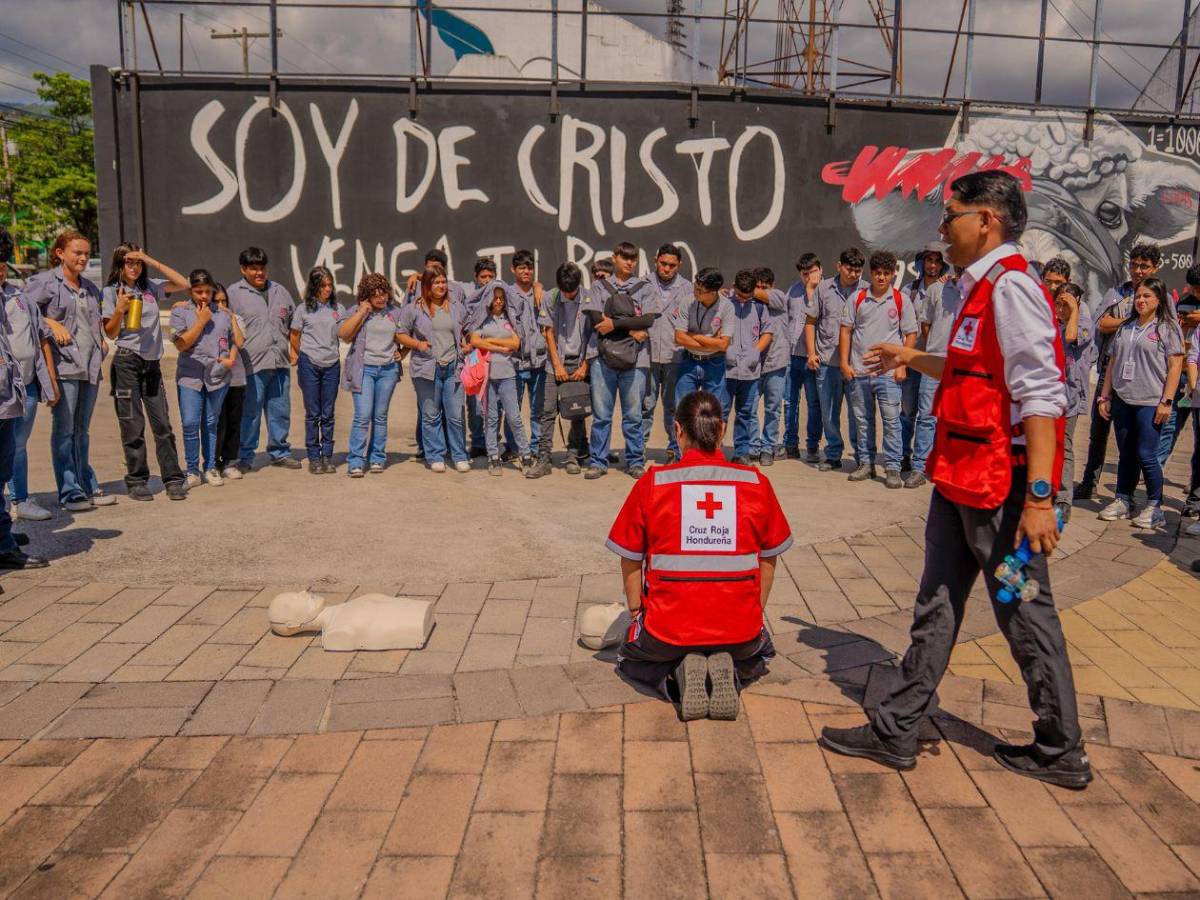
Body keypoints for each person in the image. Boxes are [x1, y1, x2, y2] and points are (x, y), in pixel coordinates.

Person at [819, 170, 1091, 790]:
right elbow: (973, 367)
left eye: (950, 216)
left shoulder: (1013, 288)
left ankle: (1060, 747)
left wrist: (1042, 499)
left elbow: (1042, 396)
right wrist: (912, 356)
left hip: (1007, 488)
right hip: (961, 478)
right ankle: (897, 727)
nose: (942, 229)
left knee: (1023, 609)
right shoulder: (981, 287)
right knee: (936, 601)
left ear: (986, 220)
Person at [607, 389, 792, 720]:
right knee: (760, 653)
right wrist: (755, 609)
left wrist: (636, 612)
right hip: (741, 632)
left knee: (628, 659)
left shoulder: (654, 483)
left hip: (667, 632)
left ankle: (674, 675)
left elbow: (630, 557)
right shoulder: (755, 482)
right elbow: (769, 559)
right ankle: (733, 669)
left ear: (678, 431)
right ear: (722, 429)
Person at [25, 230, 109, 512]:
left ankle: (86, 484)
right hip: (63, 367)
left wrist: (102, 345)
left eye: (87, 253)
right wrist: (50, 321)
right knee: (64, 431)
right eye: (78, 252)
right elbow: (22, 312)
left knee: (81, 431)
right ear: (60, 253)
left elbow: (95, 324)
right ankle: (69, 491)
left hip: (90, 366)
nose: (84, 258)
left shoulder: (90, 287)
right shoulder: (45, 283)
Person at [101, 243, 189, 502]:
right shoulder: (111, 291)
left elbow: (182, 282)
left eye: (138, 262)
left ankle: (173, 479)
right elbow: (110, 332)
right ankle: (137, 480)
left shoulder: (149, 288)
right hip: (127, 361)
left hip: (152, 365)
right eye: (129, 261)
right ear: (119, 264)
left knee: (162, 424)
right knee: (132, 424)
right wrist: (119, 309)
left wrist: (149, 258)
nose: (134, 266)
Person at [1096, 277, 1184, 530]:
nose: (1141, 300)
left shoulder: (1166, 327)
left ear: (1159, 300)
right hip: (1124, 398)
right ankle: (1123, 499)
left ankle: (1155, 506)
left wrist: (1166, 401)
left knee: (1147, 454)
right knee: (1126, 453)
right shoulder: (1126, 326)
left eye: (1147, 296)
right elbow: (1112, 362)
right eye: (1138, 296)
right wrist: (1105, 395)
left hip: (1151, 400)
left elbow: (1175, 365)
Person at [1077, 243, 1161, 500]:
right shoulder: (1118, 293)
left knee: (1131, 439)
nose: (1137, 271)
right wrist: (1129, 321)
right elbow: (1101, 324)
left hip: (1142, 379)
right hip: (1109, 372)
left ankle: (1127, 492)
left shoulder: (1161, 296)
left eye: (1144, 266)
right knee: (1098, 432)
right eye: (1134, 265)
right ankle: (1089, 482)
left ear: (1155, 268)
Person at [840, 251, 917, 488]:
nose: (881, 278)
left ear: (894, 274)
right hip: (860, 371)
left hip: (888, 374)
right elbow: (846, 330)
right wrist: (844, 363)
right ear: (870, 274)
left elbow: (911, 333)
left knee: (892, 420)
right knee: (862, 420)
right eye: (877, 273)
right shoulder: (857, 298)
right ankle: (865, 463)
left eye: (886, 273)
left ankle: (892, 467)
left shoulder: (900, 300)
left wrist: (902, 364)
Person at [584, 241, 657, 480]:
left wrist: (614, 323)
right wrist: (629, 329)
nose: (629, 262)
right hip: (602, 358)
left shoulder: (644, 287)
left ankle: (635, 461)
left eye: (633, 258)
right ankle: (598, 461)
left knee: (634, 415)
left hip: (636, 360)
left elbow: (646, 321)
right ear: (614, 257)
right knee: (602, 415)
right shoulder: (599, 286)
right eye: (625, 257)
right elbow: (596, 318)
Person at [0, 229, 59, 523]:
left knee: (16, 446)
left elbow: (40, 336)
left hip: (26, 386)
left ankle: (20, 500)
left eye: (3, 264)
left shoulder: (19, 297)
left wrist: (49, 375)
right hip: (2, 390)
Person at [227, 246, 299, 473]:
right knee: (250, 413)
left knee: (280, 410)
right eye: (253, 268)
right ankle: (245, 456)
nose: (259, 273)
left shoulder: (280, 291)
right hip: (251, 365)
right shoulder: (233, 294)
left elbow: (294, 323)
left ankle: (279, 451)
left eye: (262, 268)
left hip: (279, 362)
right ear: (243, 269)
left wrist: (295, 349)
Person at [169, 270, 241, 487]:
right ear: (191, 290)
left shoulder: (223, 314)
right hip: (189, 377)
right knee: (190, 423)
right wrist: (200, 322)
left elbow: (236, 340)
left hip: (217, 377)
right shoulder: (180, 312)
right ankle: (192, 470)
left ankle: (209, 467)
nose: (203, 296)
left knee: (211, 423)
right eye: (199, 291)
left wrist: (231, 358)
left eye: (207, 292)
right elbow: (181, 344)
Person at [398, 265, 471, 473]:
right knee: (431, 415)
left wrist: (468, 344)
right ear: (427, 286)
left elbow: (468, 329)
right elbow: (401, 333)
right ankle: (434, 455)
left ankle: (458, 455)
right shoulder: (414, 308)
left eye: (443, 282)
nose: (441, 286)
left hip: (453, 369)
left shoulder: (456, 306)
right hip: (426, 369)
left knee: (455, 415)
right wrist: (417, 345)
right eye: (436, 282)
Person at [527, 262, 594, 478]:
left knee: (577, 411)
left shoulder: (589, 298)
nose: (568, 295)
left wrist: (585, 365)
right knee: (547, 412)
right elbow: (548, 331)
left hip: (580, 362)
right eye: (565, 292)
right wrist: (556, 365)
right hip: (554, 363)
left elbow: (595, 334)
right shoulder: (551, 297)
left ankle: (573, 455)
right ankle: (543, 459)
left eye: (571, 292)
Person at [808, 248, 867, 472]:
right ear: (838, 266)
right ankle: (833, 454)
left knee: (858, 414)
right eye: (849, 269)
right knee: (829, 412)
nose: (853, 274)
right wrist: (812, 353)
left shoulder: (866, 290)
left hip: (856, 365)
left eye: (857, 270)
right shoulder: (823, 289)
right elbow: (811, 321)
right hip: (827, 363)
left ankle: (862, 457)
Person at [340, 273, 404, 477]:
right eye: (376, 294)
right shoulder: (357, 310)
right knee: (363, 415)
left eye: (384, 293)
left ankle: (377, 457)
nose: (381, 298)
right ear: (366, 295)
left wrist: (402, 353)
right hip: (364, 369)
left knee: (380, 416)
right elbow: (345, 335)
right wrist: (361, 313)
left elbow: (410, 334)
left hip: (388, 370)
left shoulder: (396, 312)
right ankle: (356, 460)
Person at [905, 267, 963, 489]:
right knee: (927, 415)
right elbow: (926, 322)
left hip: (961, 365)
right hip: (935, 360)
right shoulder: (936, 289)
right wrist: (934, 348)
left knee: (955, 420)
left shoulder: (975, 291)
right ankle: (920, 467)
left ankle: (948, 467)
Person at [470, 282, 528, 475]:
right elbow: (475, 340)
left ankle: (525, 453)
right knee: (491, 418)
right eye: (495, 298)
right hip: (487, 377)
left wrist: (491, 341)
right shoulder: (483, 319)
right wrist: (500, 348)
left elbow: (516, 342)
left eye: (501, 298)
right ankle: (493, 457)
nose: (498, 302)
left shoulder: (508, 319)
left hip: (508, 375)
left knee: (514, 417)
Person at [289, 266, 342, 475]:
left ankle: (327, 456)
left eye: (330, 285)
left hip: (332, 365)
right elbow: (294, 335)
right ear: (314, 287)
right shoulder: (303, 309)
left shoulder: (338, 308)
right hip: (309, 364)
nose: (327, 289)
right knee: (313, 413)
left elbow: (346, 330)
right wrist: (303, 355)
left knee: (328, 413)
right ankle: (314, 457)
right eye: (323, 285)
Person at [901, 242, 949, 471]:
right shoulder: (908, 290)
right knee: (908, 412)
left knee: (930, 415)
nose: (933, 265)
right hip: (912, 360)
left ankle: (927, 460)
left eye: (937, 261)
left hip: (933, 362)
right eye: (929, 260)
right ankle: (903, 455)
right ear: (921, 263)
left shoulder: (947, 289)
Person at [642, 244, 691, 464]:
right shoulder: (642, 285)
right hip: (647, 355)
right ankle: (637, 450)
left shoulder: (689, 289)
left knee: (674, 407)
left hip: (676, 358)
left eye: (672, 265)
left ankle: (674, 450)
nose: (667, 269)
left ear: (679, 265)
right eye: (663, 264)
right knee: (645, 404)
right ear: (655, 261)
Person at [724, 269, 775, 465]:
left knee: (745, 412)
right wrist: (725, 350)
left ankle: (742, 452)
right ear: (734, 287)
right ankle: (714, 451)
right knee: (721, 413)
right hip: (726, 371)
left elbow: (767, 332)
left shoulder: (760, 306)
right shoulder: (724, 303)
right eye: (740, 295)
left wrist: (756, 352)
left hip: (750, 372)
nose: (743, 300)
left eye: (748, 296)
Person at [1054, 282, 1093, 520]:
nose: (1060, 307)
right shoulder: (1051, 324)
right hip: (1049, 395)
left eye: (1065, 303)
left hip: (1070, 397)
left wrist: (1074, 309)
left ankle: (1063, 497)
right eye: (1058, 302)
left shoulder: (1085, 325)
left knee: (1064, 446)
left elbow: (1071, 336)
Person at [673, 267, 735, 415]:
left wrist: (695, 336)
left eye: (700, 290)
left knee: (712, 412)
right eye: (695, 287)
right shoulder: (687, 301)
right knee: (683, 410)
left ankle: (709, 439)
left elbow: (724, 344)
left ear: (713, 292)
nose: (696, 292)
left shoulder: (727, 307)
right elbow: (679, 337)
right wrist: (711, 341)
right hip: (689, 361)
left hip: (715, 363)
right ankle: (679, 439)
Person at [783, 253, 823, 463]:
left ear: (821, 270)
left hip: (813, 357)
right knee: (790, 402)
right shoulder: (792, 290)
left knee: (814, 403)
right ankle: (790, 444)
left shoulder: (825, 291)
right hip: (792, 356)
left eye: (812, 272)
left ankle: (813, 446)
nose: (808, 277)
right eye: (804, 274)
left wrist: (810, 291)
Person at [752, 267, 790, 467]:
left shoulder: (779, 298)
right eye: (756, 286)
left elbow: (763, 295)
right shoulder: (747, 303)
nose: (759, 291)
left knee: (773, 408)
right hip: (753, 364)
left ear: (772, 287)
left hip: (776, 363)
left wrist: (743, 288)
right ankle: (753, 446)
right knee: (749, 407)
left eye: (764, 287)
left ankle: (768, 447)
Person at [464, 257, 499, 457]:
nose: (487, 280)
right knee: (475, 402)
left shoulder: (502, 295)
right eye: (483, 276)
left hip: (496, 354)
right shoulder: (468, 294)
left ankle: (493, 441)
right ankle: (477, 442)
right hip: (476, 356)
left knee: (495, 403)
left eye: (490, 276)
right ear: (476, 278)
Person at [213, 284, 246, 481]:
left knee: (233, 422)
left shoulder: (237, 319)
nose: (220, 304)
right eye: (216, 301)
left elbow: (240, 342)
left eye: (223, 300)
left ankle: (230, 461)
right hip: (214, 379)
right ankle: (213, 462)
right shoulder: (206, 319)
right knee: (218, 423)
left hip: (235, 379)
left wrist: (231, 317)